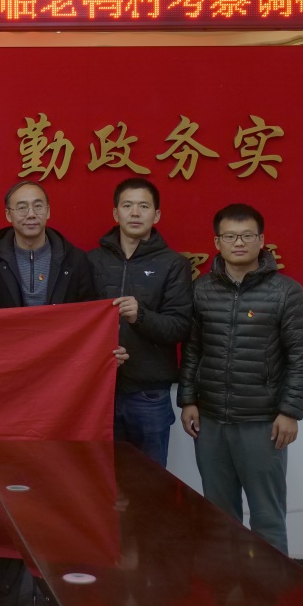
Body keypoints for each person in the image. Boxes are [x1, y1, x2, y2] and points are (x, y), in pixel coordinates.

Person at [179, 203, 303, 554]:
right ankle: (227, 587)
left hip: (262, 422)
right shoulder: (202, 289)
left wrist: (291, 412)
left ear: (261, 240)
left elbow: (301, 358)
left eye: (246, 236)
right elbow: (192, 350)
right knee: (218, 518)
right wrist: (188, 400)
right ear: (217, 242)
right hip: (210, 420)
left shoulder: (286, 291)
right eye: (230, 236)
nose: (238, 243)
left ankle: (271, 589)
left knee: (267, 519)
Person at [88, 178, 193, 467]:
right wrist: (102, 353)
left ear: (156, 215)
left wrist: (140, 316)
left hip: (149, 394)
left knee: (151, 481)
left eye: (144, 206)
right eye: (128, 206)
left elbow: (179, 327)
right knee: (101, 479)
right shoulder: (92, 261)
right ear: (116, 213)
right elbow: (78, 324)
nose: (135, 213)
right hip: (99, 391)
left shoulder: (174, 264)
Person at [0, 181, 96, 308]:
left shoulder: (75, 260)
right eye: (22, 208)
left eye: (38, 206)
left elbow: (90, 311)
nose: (31, 215)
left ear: (48, 211)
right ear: (8, 215)